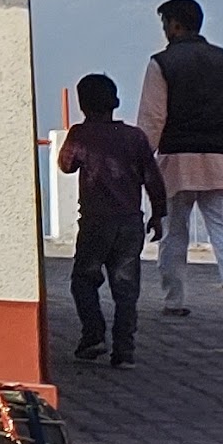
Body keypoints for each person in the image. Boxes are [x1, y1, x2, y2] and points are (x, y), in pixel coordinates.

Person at [139, 0, 223, 322]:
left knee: (173, 232)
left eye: (165, 24)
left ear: (175, 25)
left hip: (177, 161)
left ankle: (174, 300)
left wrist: (141, 159)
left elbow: (152, 119)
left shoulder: (161, 63)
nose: (164, 31)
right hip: (222, 159)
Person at [57, 73, 166, 367]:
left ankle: (93, 335)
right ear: (116, 102)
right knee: (126, 289)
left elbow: (66, 165)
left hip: (95, 223)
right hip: (130, 223)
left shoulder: (81, 134)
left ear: (82, 105)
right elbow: (153, 179)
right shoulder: (135, 137)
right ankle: (124, 351)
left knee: (84, 280)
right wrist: (158, 214)